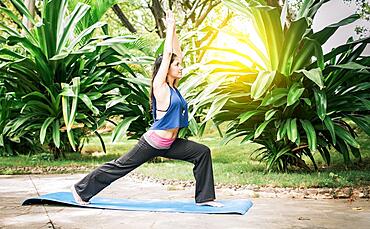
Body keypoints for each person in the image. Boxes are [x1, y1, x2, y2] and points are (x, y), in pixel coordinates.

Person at [71, 10, 223, 208]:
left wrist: (174, 28)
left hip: (170, 144)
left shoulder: (175, 87)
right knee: (119, 167)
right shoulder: (160, 86)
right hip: (152, 143)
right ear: (166, 67)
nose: (180, 67)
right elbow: (169, 54)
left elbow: (177, 53)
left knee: (202, 152)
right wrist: (168, 28)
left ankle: (205, 199)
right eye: (176, 65)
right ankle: (81, 189)